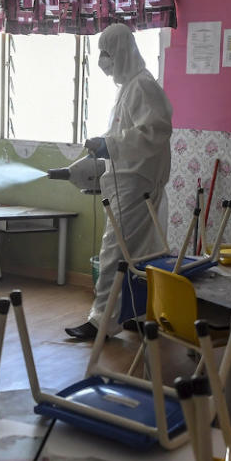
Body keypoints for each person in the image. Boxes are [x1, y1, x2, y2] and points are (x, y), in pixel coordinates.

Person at [65, 24, 173, 340]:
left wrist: (108, 144)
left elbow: (154, 131)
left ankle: (101, 321)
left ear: (123, 52)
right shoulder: (128, 87)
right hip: (128, 180)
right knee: (140, 253)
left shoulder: (142, 86)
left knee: (114, 252)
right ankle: (136, 315)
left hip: (134, 183)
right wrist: (105, 147)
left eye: (107, 53)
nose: (103, 61)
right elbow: (129, 132)